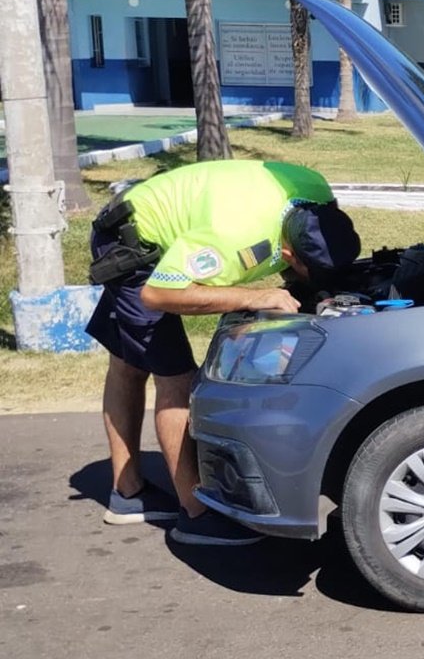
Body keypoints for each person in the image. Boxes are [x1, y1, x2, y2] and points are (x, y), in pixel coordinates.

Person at [85, 160, 361, 545]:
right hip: (134, 247)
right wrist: (254, 296)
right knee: (177, 378)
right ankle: (195, 514)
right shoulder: (231, 237)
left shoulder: (316, 190)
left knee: (129, 364)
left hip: (150, 210)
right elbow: (159, 294)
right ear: (285, 248)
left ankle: (126, 493)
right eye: (303, 268)